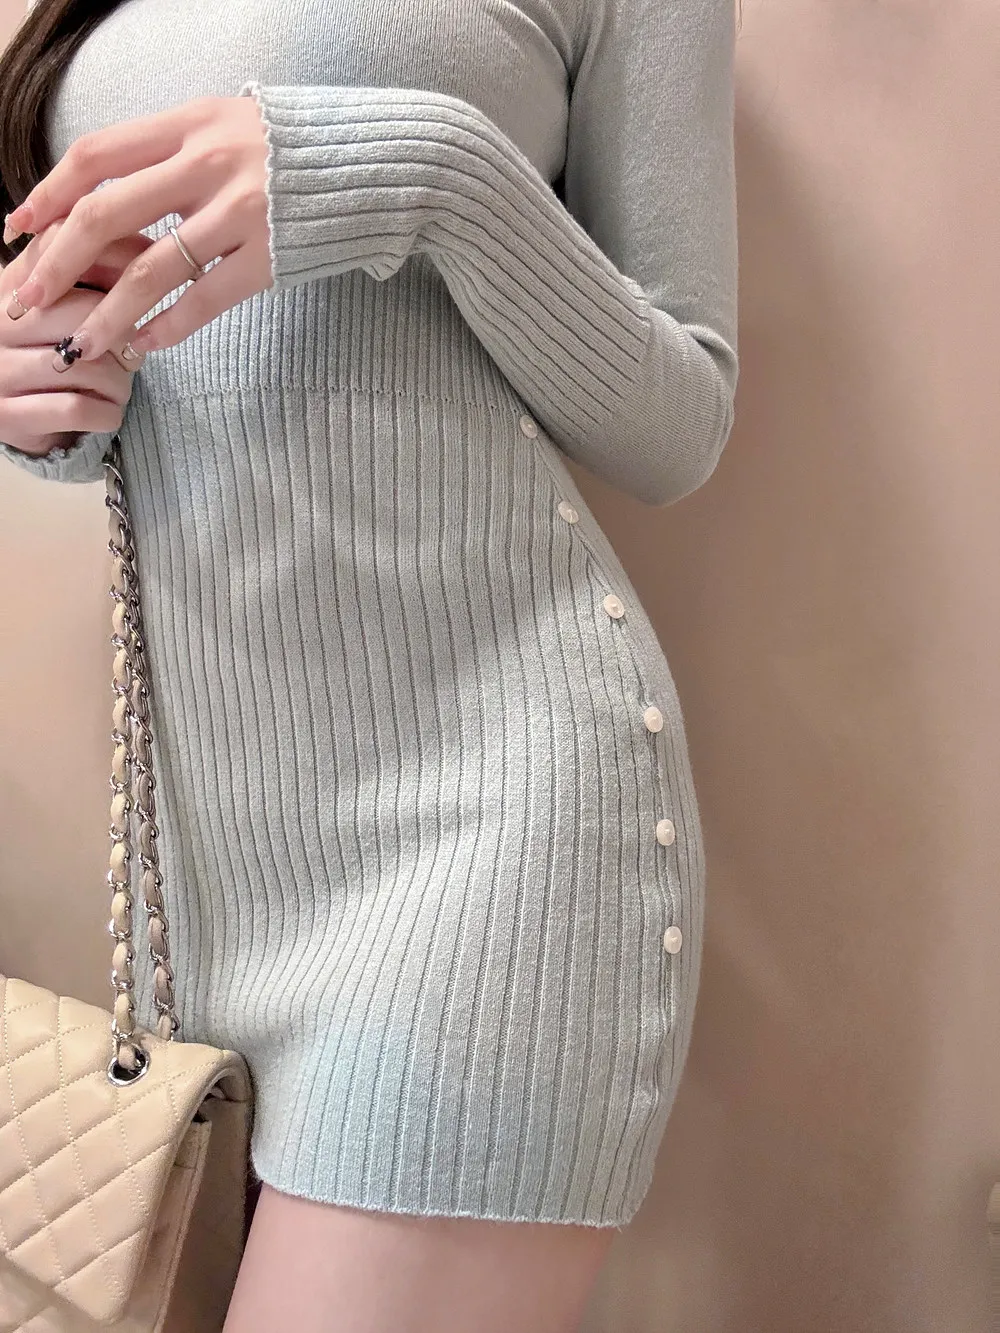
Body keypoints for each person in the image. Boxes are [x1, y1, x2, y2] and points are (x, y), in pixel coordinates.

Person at [0, 0, 738, 1327]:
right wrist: (45, 392)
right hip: (217, 866)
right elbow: (148, 370)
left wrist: (430, 174)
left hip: (483, 830)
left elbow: (679, 426)